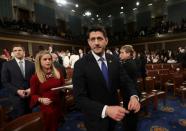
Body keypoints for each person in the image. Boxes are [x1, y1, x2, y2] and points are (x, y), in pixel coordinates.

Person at [72, 26, 140, 131]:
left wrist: (133, 96)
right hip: (95, 119)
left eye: (99, 38)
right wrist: (106, 110)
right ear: (89, 42)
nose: (96, 43)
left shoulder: (115, 60)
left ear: (106, 41)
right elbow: (79, 98)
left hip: (115, 117)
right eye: (92, 39)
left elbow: (126, 81)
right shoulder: (80, 65)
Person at [30, 50, 65, 131]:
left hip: (58, 102)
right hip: (46, 106)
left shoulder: (57, 72)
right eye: (45, 59)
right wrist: (41, 99)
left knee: (57, 123)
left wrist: (64, 88)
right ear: (39, 61)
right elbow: (33, 95)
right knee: (50, 126)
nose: (48, 61)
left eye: (49, 59)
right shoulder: (35, 77)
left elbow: (63, 84)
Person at [1, 44, 35, 119]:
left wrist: (31, 89)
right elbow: (5, 81)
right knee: (20, 117)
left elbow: (35, 79)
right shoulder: (7, 64)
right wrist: (17, 91)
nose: (17, 52)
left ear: (23, 52)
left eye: (19, 50)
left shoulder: (31, 64)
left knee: (30, 115)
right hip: (16, 97)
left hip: (30, 95)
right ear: (12, 53)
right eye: (15, 51)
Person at [119, 45, 140, 131]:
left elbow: (122, 80)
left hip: (129, 92)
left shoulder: (127, 64)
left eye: (122, 52)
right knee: (131, 113)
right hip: (131, 90)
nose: (120, 54)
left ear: (128, 54)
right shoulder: (130, 62)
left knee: (130, 113)